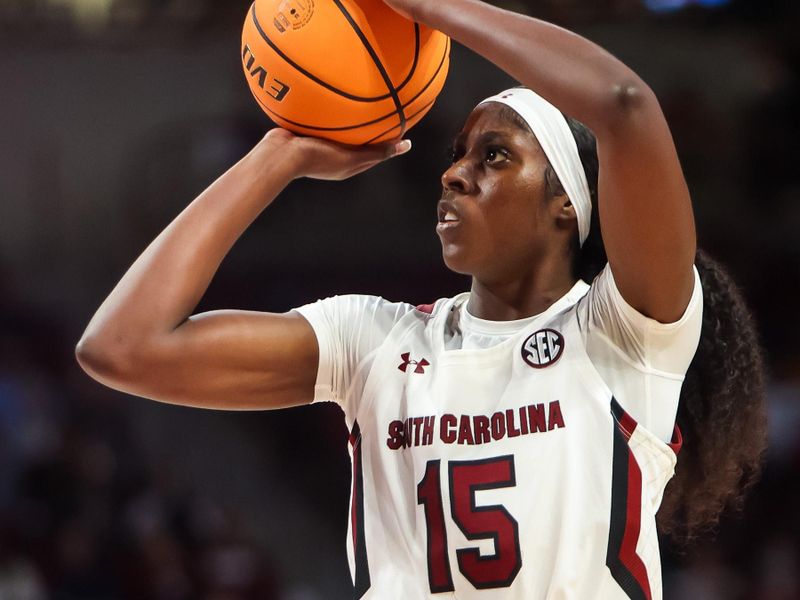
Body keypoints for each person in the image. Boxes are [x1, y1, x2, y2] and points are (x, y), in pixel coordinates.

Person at [75, 0, 767, 597]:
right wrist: (278, 153)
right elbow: (122, 346)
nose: (455, 174)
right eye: (458, 154)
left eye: (494, 155)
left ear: (566, 205)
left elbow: (624, 104)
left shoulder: (625, 333)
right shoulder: (376, 343)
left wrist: (434, 10)